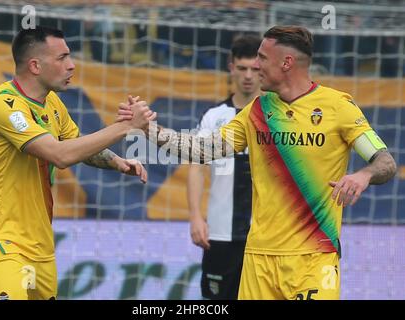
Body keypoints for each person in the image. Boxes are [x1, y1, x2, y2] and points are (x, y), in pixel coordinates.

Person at [118, 25, 397, 300]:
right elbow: (201, 149)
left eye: (262, 58)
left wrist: (364, 175)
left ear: (286, 62)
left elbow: (384, 161)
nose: (256, 65)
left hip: (313, 256)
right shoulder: (257, 111)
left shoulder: (338, 107)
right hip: (258, 259)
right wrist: (150, 131)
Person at [0, 26, 155, 300]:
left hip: (39, 244)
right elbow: (60, 155)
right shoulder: (4, 106)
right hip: (0, 243)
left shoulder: (52, 103)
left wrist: (116, 161)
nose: (72, 65)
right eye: (62, 58)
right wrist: (125, 128)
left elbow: (76, 143)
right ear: (35, 65)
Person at [187, 34, 261, 300]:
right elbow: (196, 167)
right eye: (242, 68)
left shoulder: (278, 117)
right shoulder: (214, 116)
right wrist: (196, 216)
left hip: (264, 236)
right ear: (231, 67)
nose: (249, 76)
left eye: (255, 68)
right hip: (219, 232)